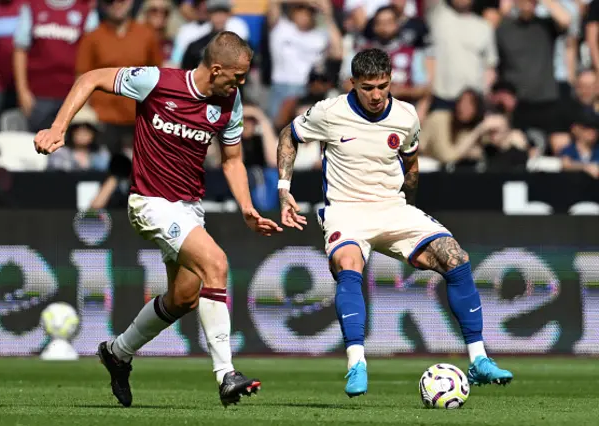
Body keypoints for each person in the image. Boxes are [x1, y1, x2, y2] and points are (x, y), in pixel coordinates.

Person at [34, 31, 283, 407]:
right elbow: (90, 78)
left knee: (183, 298)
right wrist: (59, 127)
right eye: (238, 75)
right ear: (216, 69)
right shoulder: (156, 81)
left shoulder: (229, 101)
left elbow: (232, 160)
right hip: (149, 202)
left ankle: (117, 352)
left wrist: (247, 207)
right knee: (216, 263)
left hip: (188, 207)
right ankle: (225, 374)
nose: (242, 82)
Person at [275, 48, 513, 397]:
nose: (376, 95)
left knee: (455, 258)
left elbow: (411, 166)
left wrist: (411, 218)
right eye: (368, 87)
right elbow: (288, 136)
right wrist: (284, 190)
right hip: (346, 210)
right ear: (352, 83)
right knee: (348, 264)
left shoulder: (405, 115)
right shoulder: (330, 112)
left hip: (393, 208)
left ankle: (478, 360)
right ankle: (357, 362)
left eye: (383, 86)